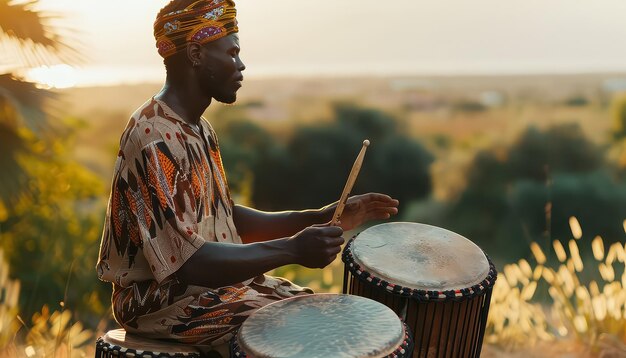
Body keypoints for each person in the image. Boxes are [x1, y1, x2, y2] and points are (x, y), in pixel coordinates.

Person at [96, 0, 399, 350]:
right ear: (196, 54)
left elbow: (223, 217)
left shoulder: (199, 129)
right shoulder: (152, 136)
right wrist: (292, 249)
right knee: (306, 332)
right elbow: (188, 264)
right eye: (232, 53)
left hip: (206, 290)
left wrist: (319, 217)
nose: (241, 65)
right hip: (159, 302)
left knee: (317, 309)